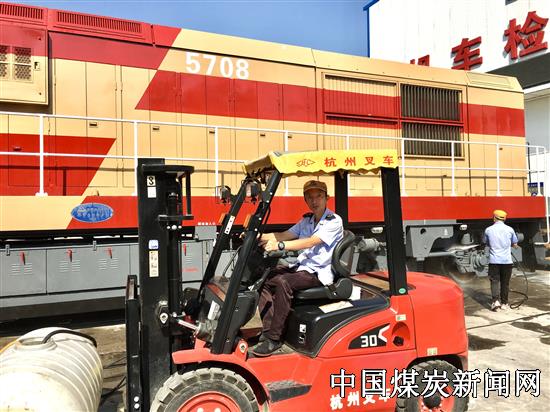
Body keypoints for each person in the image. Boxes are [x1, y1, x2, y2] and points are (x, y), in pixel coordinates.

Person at [250, 180, 343, 356]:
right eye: (310, 197)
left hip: (318, 272)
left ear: (327, 198)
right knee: (264, 278)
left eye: (319, 196)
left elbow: (310, 242)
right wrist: (256, 236)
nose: (314, 201)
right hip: (301, 267)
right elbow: (284, 235)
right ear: (305, 200)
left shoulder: (334, 221)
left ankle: (275, 339)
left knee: (283, 282)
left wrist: (280, 246)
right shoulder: (306, 220)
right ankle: (268, 330)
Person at [483, 209, 518, 311]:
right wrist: (513, 245)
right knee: (505, 283)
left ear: (494, 218)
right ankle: (504, 303)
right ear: (504, 219)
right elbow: (514, 243)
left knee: (494, 282)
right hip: (507, 261)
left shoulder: (488, 230)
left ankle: (495, 302)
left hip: (494, 261)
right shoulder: (510, 229)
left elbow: (486, 242)